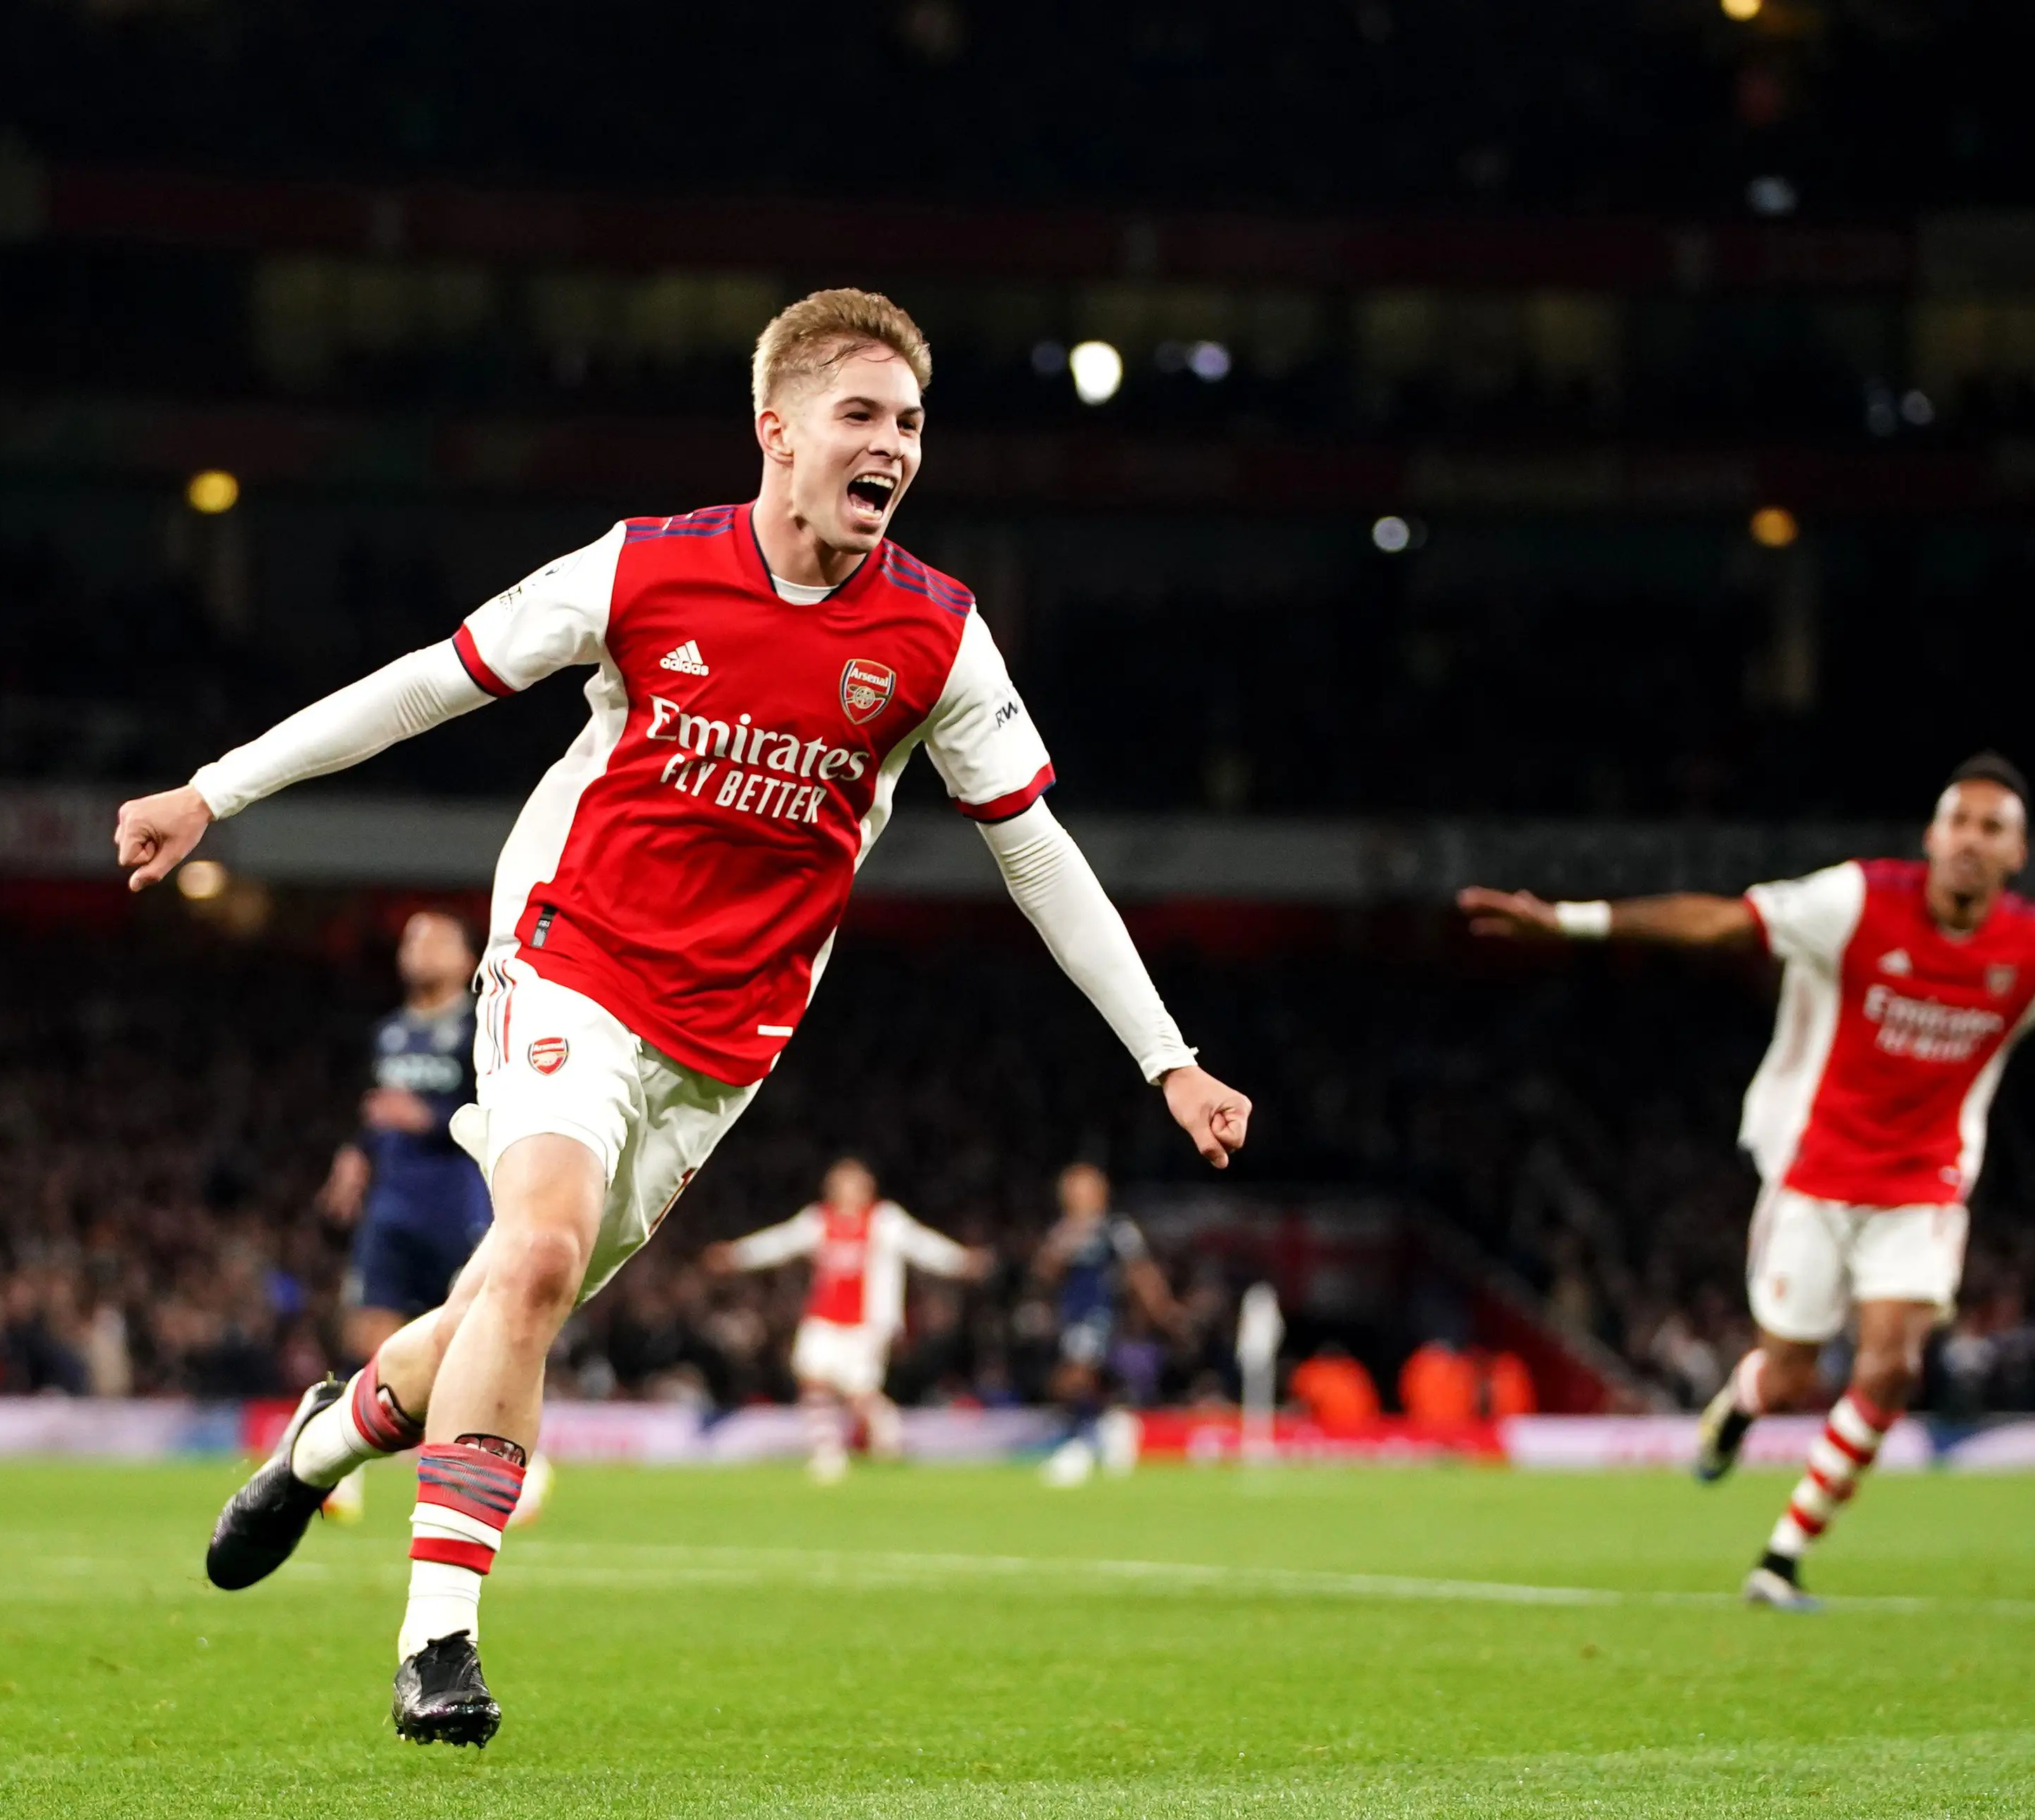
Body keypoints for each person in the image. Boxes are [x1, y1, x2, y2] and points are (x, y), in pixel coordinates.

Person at [114, 289, 1252, 1745]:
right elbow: (424, 687)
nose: (892, 446)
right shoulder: (643, 571)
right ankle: (437, 1642)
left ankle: (326, 1438)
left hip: (723, 1051)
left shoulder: (937, 639)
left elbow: (1036, 852)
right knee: (529, 1248)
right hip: (569, 958)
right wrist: (214, 791)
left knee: (489, 1315)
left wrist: (1169, 1057)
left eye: (910, 424)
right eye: (861, 415)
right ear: (777, 429)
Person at [1458, 752, 2035, 1610]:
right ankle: (1743, 1402)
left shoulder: (2032, 949)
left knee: (1892, 1365)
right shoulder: (1857, 900)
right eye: (1957, 820)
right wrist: (1572, 921)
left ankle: (1782, 1554)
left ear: (2017, 852)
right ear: (1930, 836)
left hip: (1921, 1191)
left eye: (1991, 826)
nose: (1971, 837)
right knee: (1790, 1375)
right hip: (1814, 1177)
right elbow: (1725, 919)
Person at [314, 912, 535, 1526]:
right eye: (411, 938)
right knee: (368, 1338)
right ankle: (344, 1478)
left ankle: (518, 1465)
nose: (419, 949)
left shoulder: (484, 1029)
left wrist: (432, 1120)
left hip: (460, 1202)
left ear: (468, 959)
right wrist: (354, 1159)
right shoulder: (386, 1033)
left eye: (435, 938)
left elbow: (504, 1110)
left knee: (480, 1335)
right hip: (392, 1207)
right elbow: (374, 1113)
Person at [703, 1157, 990, 1481]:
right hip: (825, 1317)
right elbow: (779, 1242)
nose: (845, 1191)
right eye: (840, 1184)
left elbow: (923, 1245)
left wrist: (961, 1261)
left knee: (859, 1392)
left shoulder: (884, 1221)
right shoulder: (819, 1220)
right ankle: (827, 1454)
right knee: (812, 1376)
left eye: (853, 1184)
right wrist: (736, 1255)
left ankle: (889, 1432)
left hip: (867, 1324)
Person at [1033, 1161, 1180, 1485]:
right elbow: (1045, 1273)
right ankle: (1109, 1428)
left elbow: (1140, 1269)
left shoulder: (1115, 1228)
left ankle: (1082, 1444)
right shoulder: (1064, 1231)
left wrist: (1160, 1308)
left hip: (1100, 1315)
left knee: (1075, 1377)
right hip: (1069, 1317)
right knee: (1070, 1381)